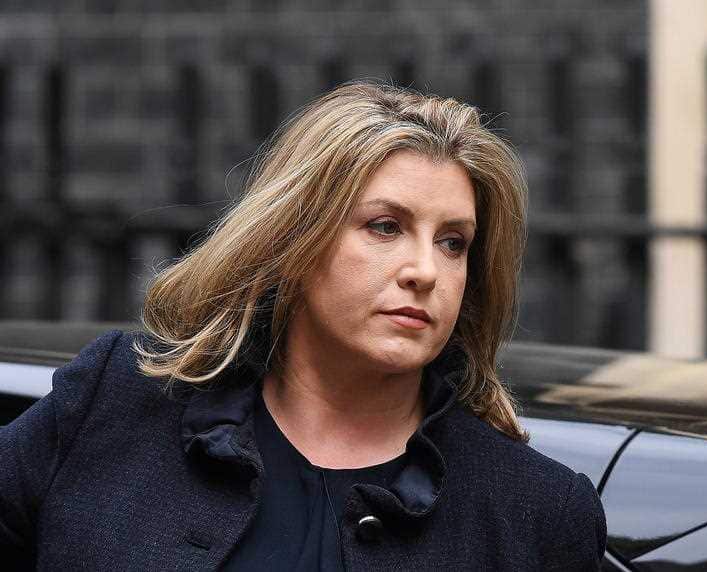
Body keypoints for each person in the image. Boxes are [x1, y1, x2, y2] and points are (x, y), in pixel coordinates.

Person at [1, 80, 607, 570]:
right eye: (385, 226)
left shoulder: (539, 511)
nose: (426, 270)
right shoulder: (114, 401)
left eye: (454, 242)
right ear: (294, 238)